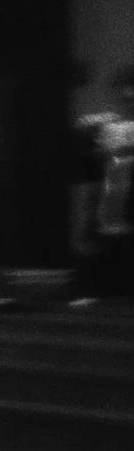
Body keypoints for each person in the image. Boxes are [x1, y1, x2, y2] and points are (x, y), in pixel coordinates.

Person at [72, 65, 134, 302]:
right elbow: (94, 185)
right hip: (108, 232)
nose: (128, 98)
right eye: (123, 94)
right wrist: (88, 227)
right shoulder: (102, 130)